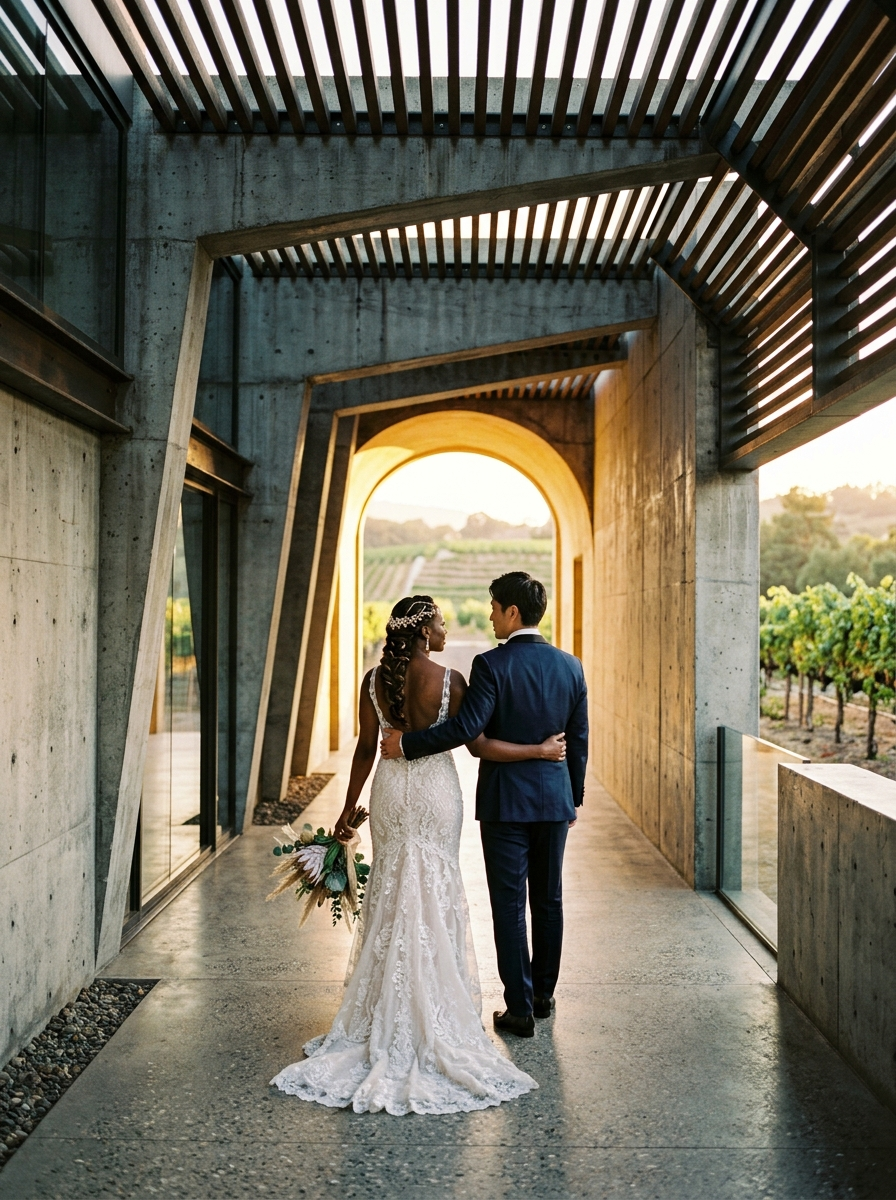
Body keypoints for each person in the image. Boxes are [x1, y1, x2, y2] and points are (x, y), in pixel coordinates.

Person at [270, 594, 567, 1116]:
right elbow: (477, 745)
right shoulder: (451, 680)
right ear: (425, 630)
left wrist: (347, 810)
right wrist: (540, 751)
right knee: (434, 884)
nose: (447, 632)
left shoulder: (373, 680)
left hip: (388, 792)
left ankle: (382, 1009)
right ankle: (434, 1007)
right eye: (442, 624)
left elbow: (367, 748)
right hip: (434, 794)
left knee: (392, 884)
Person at [381, 572, 588, 1039]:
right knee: (549, 899)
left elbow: (464, 731)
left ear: (513, 612)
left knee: (510, 905)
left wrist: (407, 744)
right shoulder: (571, 666)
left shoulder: (491, 665)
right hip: (553, 802)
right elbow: (578, 741)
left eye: (494, 607)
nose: (490, 615)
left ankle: (519, 1009)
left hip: (503, 806)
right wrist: (571, 798)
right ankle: (543, 996)